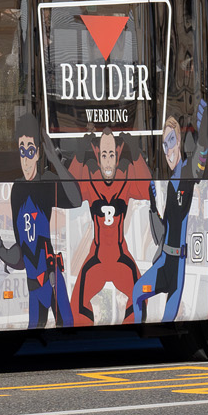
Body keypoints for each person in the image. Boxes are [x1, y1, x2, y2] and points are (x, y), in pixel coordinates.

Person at [0, 109, 82, 329]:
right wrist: (2, 251)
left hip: (52, 281)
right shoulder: (17, 190)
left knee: (67, 326)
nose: (26, 159)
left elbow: (76, 199)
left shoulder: (46, 182)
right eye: (22, 151)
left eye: (31, 151)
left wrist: (56, 161)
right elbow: (21, 250)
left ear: (39, 154)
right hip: (33, 288)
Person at [68, 128, 151, 325]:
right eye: (104, 155)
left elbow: (148, 190)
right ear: (98, 157)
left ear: (117, 156)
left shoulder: (126, 178)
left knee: (140, 297)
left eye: (111, 155)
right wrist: (78, 158)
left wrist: (137, 155)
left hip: (120, 256)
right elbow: (70, 193)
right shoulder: (91, 179)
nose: (107, 161)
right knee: (76, 306)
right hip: (96, 257)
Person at [133, 115, 206, 324]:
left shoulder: (187, 174)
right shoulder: (171, 180)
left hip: (177, 265)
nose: (167, 150)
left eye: (171, 141)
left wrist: (204, 123)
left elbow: (202, 155)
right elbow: (162, 231)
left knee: (166, 318)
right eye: (164, 144)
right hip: (165, 261)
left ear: (180, 141)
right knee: (138, 293)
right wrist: (153, 204)